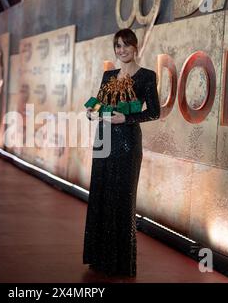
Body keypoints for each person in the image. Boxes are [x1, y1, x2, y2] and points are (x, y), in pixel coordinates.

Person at [83, 28, 160, 277]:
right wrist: (91, 110)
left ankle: (120, 263)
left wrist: (125, 118)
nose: (122, 50)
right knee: (101, 194)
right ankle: (99, 258)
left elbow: (154, 112)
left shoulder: (147, 76)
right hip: (103, 138)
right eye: (117, 46)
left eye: (126, 45)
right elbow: (99, 102)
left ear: (135, 47)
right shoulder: (109, 75)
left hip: (127, 142)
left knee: (122, 198)